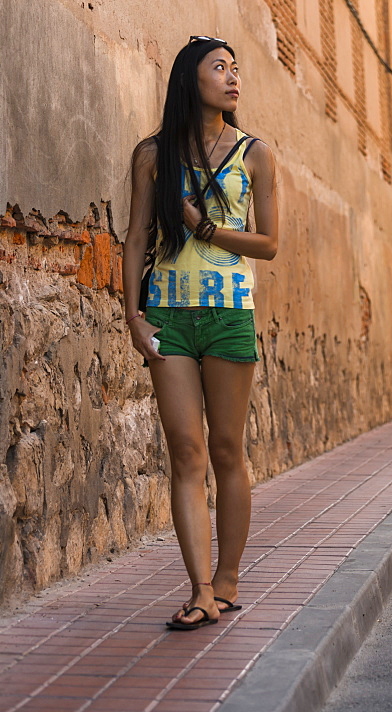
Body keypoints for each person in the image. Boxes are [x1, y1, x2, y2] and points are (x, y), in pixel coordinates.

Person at [122, 35, 278, 630]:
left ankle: (229, 578)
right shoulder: (153, 154)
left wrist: (206, 230)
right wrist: (132, 315)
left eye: (236, 69)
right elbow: (136, 237)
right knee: (185, 452)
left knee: (226, 450)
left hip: (229, 314)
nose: (233, 78)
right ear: (192, 80)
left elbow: (268, 244)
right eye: (220, 68)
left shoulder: (255, 154)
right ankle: (199, 590)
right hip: (167, 315)